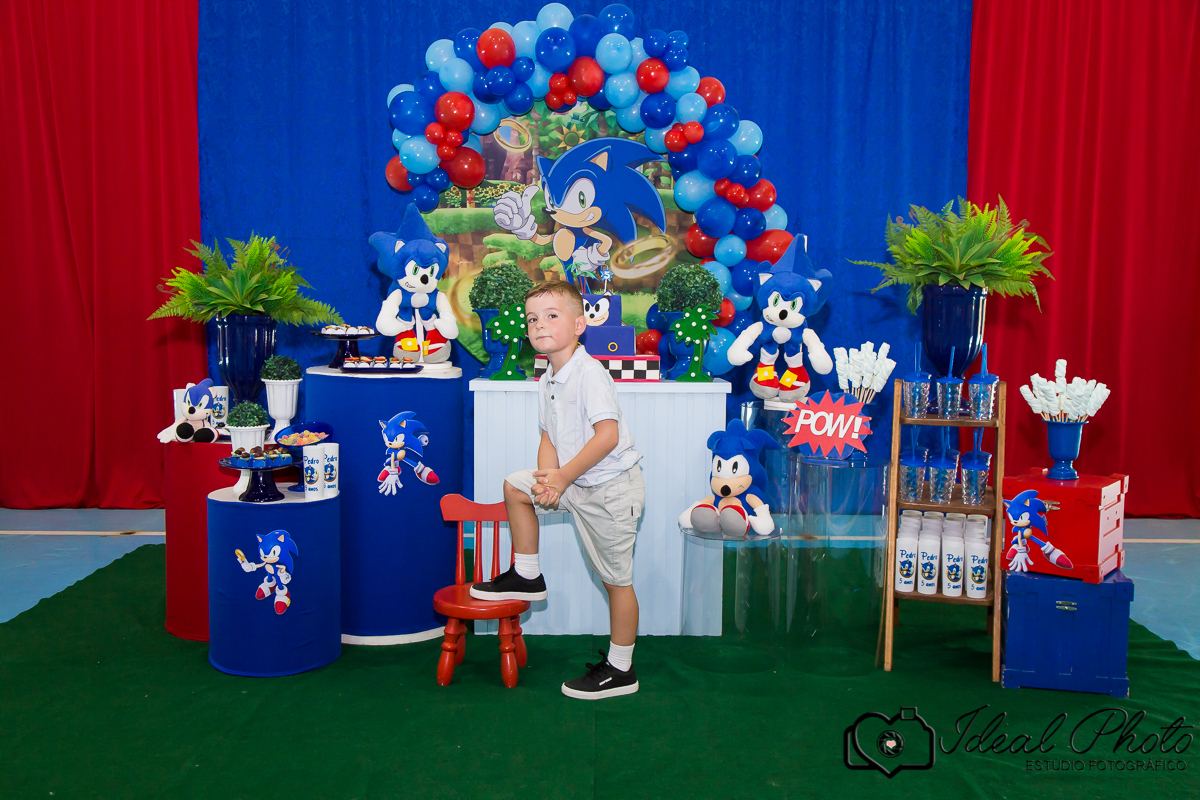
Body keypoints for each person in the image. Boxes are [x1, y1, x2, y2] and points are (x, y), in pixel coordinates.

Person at [470, 281, 645, 699]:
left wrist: (562, 478)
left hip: (610, 489)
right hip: (574, 480)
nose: (539, 325)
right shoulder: (547, 376)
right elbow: (548, 435)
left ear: (579, 325)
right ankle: (528, 574)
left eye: (552, 316)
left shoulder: (590, 374)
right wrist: (548, 480)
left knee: (616, 581)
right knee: (516, 487)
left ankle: (621, 669)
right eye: (532, 319)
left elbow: (607, 436)